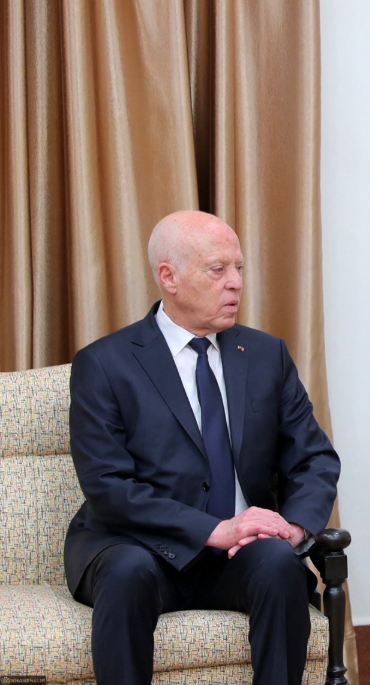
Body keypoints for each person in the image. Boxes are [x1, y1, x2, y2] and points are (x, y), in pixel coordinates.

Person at [65, 210, 340, 685]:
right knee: (127, 572)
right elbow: (107, 486)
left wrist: (291, 528)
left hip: (240, 555)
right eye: (218, 270)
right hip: (141, 546)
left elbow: (313, 457)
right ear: (167, 277)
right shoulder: (104, 364)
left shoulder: (265, 355)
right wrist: (215, 529)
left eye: (239, 268)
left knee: (278, 564)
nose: (235, 283)